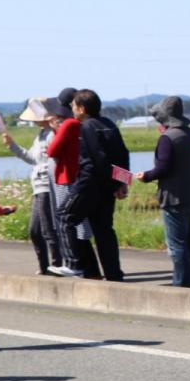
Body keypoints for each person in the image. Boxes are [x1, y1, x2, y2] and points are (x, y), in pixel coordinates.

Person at [135, 95, 190, 288]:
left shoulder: (167, 138)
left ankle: (181, 285)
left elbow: (163, 169)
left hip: (174, 197)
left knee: (177, 245)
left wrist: (146, 176)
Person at [71, 89, 130, 281]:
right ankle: (114, 274)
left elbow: (98, 158)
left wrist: (82, 187)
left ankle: (86, 269)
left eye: (73, 105)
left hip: (91, 185)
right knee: (104, 229)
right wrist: (121, 182)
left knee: (66, 219)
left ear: (81, 108)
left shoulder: (87, 127)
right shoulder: (109, 124)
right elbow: (123, 154)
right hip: (108, 188)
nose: (72, 109)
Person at [2, 97, 63, 274]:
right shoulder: (42, 134)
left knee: (46, 229)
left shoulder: (52, 133)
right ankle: (45, 266)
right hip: (38, 186)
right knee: (36, 230)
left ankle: (56, 265)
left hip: (46, 185)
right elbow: (32, 158)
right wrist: (12, 145)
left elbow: (52, 160)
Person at [46, 87, 92, 277]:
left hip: (67, 177)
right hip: (79, 176)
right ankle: (87, 267)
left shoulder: (68, 125)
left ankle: (74, 264)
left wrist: (55, 130)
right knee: (78, 221)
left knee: (65, 218)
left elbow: (52, 151)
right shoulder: (84, 124)